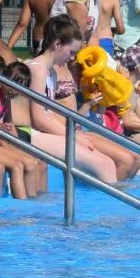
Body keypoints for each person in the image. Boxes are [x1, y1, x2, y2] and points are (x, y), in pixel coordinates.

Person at [28, 15, 128, 181]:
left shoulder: (50, 71)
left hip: (48, 131)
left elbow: (49, 115)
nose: (73, 57)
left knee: (109, 162)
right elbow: (38, 119)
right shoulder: (38, 70)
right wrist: (73, 137)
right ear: (57, 44)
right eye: (71, 52)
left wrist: (74, 134)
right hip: (34, 134)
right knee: (105, 165)